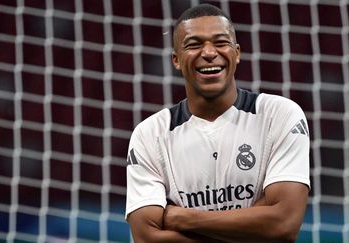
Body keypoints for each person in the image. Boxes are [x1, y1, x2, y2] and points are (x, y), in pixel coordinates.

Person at [125, 3, 310, 242]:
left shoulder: (279, 115)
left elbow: (284, 224)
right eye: (194, 44)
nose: (209, 52)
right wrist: (254, 223)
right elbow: (147, 236)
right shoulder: (150, 134)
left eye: (221, 42)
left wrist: (181, 218)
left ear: (237, 52)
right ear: (176, 60)